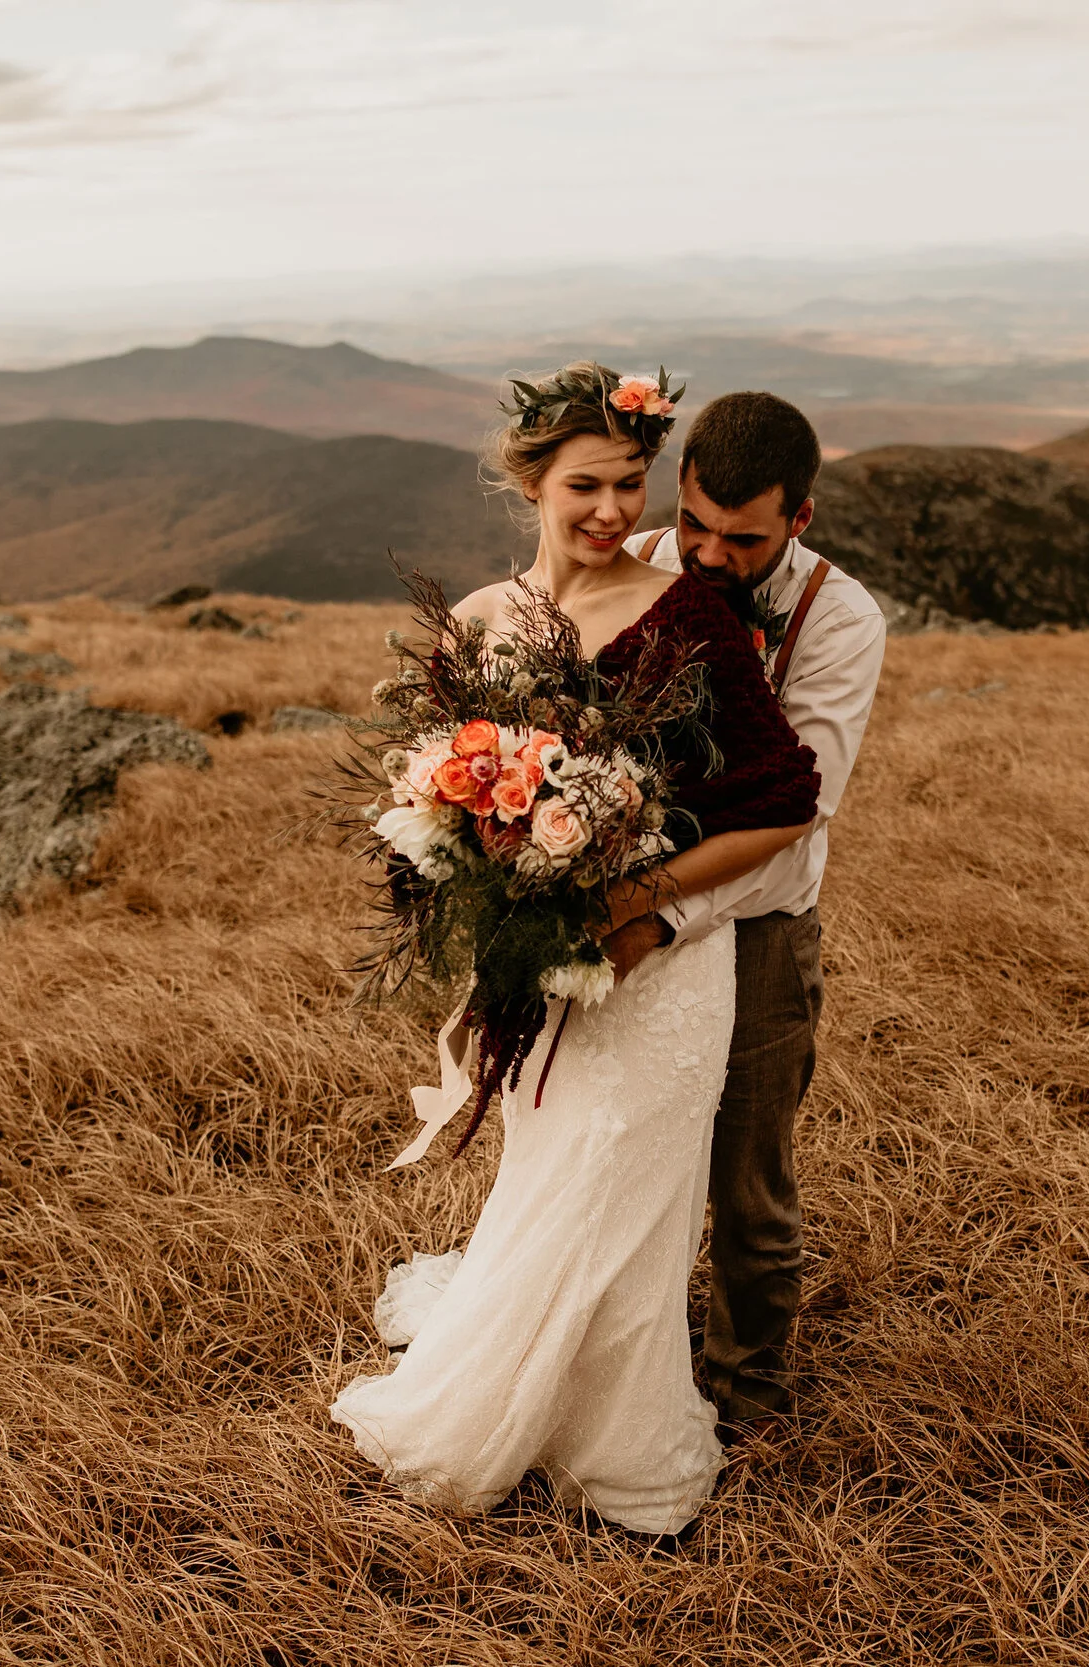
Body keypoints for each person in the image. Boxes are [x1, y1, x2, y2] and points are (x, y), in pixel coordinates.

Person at [330, 362, 822, 1534]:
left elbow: (785, 798)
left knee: (628, 1188)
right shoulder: (480, 622)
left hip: (658, 968)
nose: (612, 512)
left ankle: (614, 1418)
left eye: (629, 484)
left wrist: (633, 893)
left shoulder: (687, 612)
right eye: (586, 485)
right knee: (550, 1169)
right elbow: (437, 794)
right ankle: (518, 1383)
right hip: (539, 955)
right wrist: (470, 864)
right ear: (531, 484)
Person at [615, 392, 886, 1431]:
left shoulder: (841, 618)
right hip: (619, 899)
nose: (707, 555)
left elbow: (796, 818)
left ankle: (747, 1391)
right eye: (693, 525)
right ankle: (620, 1362)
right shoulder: (635, 557)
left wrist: (654, 910)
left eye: (742, 538)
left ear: (800, 520)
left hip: (760, 927)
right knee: (620, 1146)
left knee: (749, 1176)